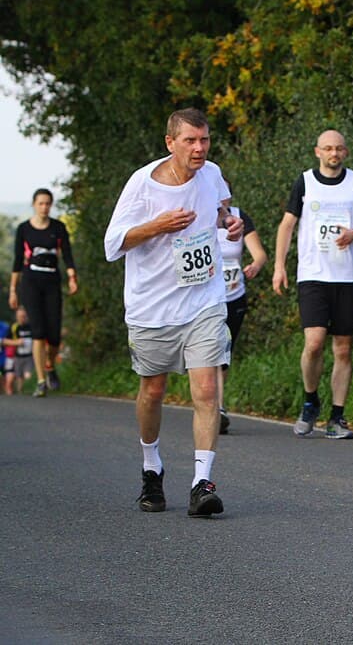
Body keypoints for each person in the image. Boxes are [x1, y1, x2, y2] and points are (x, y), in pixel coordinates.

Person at [104, 107, 242, 517]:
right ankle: (152, 468)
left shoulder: (211, 174)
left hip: (203, 300)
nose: (199, 148)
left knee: (205, 390)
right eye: (190, 141)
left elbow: (223, 210)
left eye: (204, 140)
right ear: (170, 143)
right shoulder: (143, 186)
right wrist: (157, 226)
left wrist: (229, 224)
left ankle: (202, 483)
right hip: (152, 307)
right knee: (154, 391)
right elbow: (114, 244)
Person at [273, 129, 353, 439]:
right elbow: (287, 224)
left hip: (347, 277)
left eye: (339, 149)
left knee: (343, 349)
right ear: (317, 151)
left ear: (345, 152)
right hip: (313, 275)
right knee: (315, 343)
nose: (334, 153)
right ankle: (309, 401)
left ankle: (337, 416)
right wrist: (280, 266)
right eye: (328, 148)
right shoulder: (304, 182)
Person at [9, 188, 78, 396]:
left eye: (48, 203)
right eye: (41, 203)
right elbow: (17, 260)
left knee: (54, 335)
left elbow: (67, 253)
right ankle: (40, 381)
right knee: (38, 332)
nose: (44, 207)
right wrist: (13, 290)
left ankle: (49, 366)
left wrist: (72, 277)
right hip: (30, 283)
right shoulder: (24, 229)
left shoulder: (58, 228)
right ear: (34, 204)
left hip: (52, 282)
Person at [216, 183, 268, 434]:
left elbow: (259, 253)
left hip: (234, 295)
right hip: (203, 298)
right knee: (211, 350)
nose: (220, 198)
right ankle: (215, 407)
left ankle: (216, 406)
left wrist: (256, 265)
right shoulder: (196, 215)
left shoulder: (239, 217)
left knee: (224, 351)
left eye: (223, 193)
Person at [3, 306, 34, 394]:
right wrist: (16, 342)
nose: (22, 319)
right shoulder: (14, 327)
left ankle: (29, 391)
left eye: (24, 317)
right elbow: (4, 341)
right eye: (20, 317)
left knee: (28, 375)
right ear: (17, 317)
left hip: (29, 357)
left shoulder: (31, 326)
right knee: (19, 377)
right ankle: (21, 394)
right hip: (17, 357)